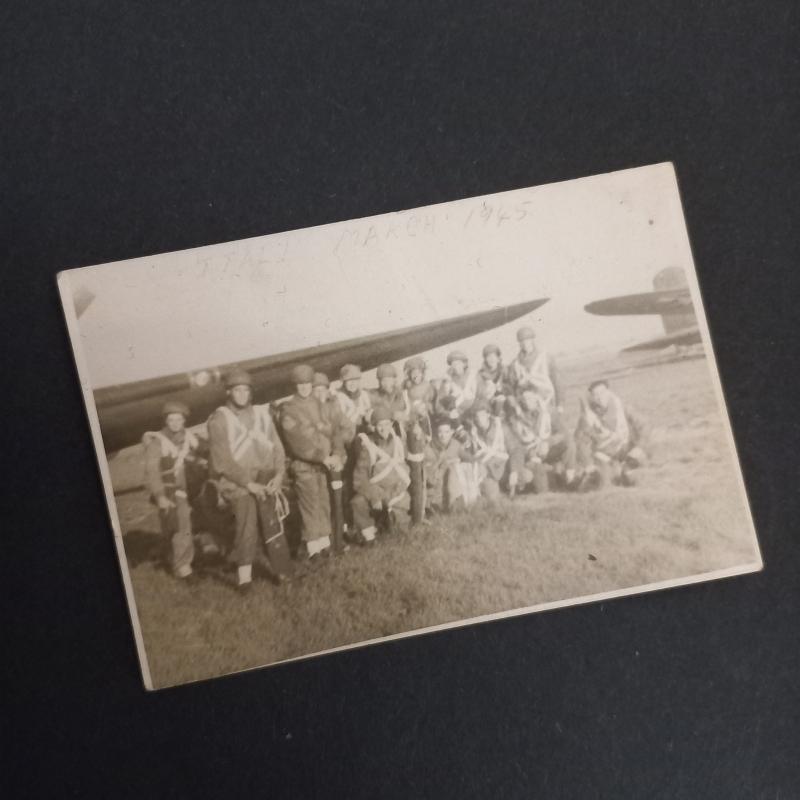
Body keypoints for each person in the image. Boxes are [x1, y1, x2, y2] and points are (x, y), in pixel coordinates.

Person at [207, 370, 292, 593]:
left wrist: (279, 474)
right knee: (247, 527)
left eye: (246, 390)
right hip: (237, 484)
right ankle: (244, 578)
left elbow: (277, 447)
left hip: (265, 478)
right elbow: (221, 461)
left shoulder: (262, 414)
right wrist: (248, 483)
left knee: (273, 523)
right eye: (237, 390)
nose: (242, 394)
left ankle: (283, 572)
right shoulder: (219, 419)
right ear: (228, 392)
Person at [279, 364, 345, 560]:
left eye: (307, 383)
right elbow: (298, 443)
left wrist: (338, 453)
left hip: (325, 465)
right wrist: (324, 457)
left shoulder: (322, 404)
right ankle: (312, 547)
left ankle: (325, 543)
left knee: (323, 502)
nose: (305, 387)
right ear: (294, 386)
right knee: (310, 505)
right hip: (305, 466)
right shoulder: (289, 409)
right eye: (300, 384)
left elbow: (336, 431)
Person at [143, 400, 205, 583]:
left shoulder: (190, 439)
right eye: (171, 420)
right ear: (166, 421)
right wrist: (160, 496)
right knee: (179, 527)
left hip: (192, 489)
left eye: (179, 419)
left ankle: (173, 557)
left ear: (184, 420)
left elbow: (202, 453)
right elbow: (152, 472)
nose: (176, 423)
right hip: (171, 491)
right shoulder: (157, 443)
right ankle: (183, 567)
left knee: (179, 527)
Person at [350, 406, 411, 543]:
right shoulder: (367, 446)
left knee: (399, 534)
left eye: (387, 424)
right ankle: (369, 537)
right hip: (377, 490)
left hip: (396, 490)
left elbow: (405, 468)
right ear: (373, 426)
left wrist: (400, 487)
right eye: (379, 425)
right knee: (357, 502)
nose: (383, 428)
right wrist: (374, 496)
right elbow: (359, 479)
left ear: (391, 424)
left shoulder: (398, 443)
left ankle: (388, 523)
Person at [575, 379, 648, 489]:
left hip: (626, 448)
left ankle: (627, 471)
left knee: (639, 469)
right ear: (592, 397)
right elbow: (580, 441)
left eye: (602, 393)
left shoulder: (622, 406)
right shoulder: (588, 415)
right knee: (603, 484)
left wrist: (639, 446)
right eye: (596, 394)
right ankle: (594, 476)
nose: (600, 397)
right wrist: (588, 464)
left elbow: (642, 425)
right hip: (604, 454)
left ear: (608, 392)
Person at [505, 388, 577, 494]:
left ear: (536, 398)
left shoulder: (548, 412)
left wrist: (548, 442)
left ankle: (569, 478)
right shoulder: (516, 418)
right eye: (524, 399)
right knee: (542, 489)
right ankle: (528, 483)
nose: (527, 401)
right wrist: (531, 454)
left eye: (530, 398)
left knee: (569, 444)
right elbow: (517, 445)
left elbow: (563, 432)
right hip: (529, 454)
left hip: (547, 450)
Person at [424, 415, 480, 514]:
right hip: (436, 491)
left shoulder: (455, 444)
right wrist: (445, 464)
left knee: (459, 468)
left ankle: (460, 503)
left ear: (451, 432)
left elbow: (470, 459)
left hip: (453, 489)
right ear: (436, 433)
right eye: (440, 432)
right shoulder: (429, 449)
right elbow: (430, 479)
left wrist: (471, 463)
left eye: (446, 432)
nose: (443, 435)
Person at [505, 326, 564, 412]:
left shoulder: (546, 357)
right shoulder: (515, 364)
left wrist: (560, 404)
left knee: (556, 424)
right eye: (522, 341)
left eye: (527, 340)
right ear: (519, 343)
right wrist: (515, 405)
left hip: (547, 403)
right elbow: (510, 387)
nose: (525, 343)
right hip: (524, 407)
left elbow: (557, 381)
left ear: (532, 340)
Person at [466, 399, 511, 504]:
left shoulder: (501, 428)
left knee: (525, 476)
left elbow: (515, 449)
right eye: (476, 417)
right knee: (488, 497)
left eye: (481, 415)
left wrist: (515, 471)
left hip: (502, 467)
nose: (478, 419)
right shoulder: (473, 432)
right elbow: (470, 452)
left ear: (488, 414)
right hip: (485, 471)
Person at [333, 363, 372, 445]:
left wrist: (369, 415)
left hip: (362, 431)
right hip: (347, 436)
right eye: (349, 381)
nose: (353, 384)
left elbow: (369, 413)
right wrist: (357, 412)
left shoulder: (363, 394)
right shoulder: (339, 397)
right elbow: (341, 423)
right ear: (344, 382)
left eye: (355, 380)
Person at [435, 350, 477, 423]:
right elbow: (440, 402)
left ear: (464, 364)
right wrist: (448, 414)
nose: (456, 367)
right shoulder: (447, 380)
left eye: (458, 363)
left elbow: (479, 396)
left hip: (472, 412)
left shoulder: (473, 376)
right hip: (454, 415)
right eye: (453, 364)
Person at [369, 363, 409, 435]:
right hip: (385, 433)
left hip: (403, 431)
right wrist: (392, 415)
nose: (385, 384)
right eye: (383, 380)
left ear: (394, 380)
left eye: (388, 380)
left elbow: (409, 414)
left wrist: (404, 416)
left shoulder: (402, 394)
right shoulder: (374, 396)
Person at [476, 343, 507, 414]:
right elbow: (480, 393)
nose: (492, 359)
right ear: (485, 359)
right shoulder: (480, 374)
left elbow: (511, 386)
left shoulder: (504, 370)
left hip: (505, 401)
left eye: (494, 356)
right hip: (488, 403)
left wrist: (501, 388)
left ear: (498, 358)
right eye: (489, 357)